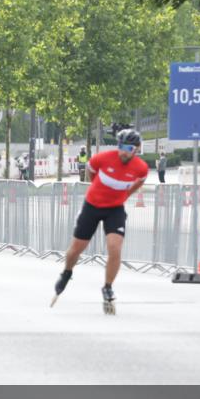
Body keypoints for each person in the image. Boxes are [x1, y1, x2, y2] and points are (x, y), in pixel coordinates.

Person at [51, 128, 148, 314]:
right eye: (121, 146)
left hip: (115, 209)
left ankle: (108, 287)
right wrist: (97, 187)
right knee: (76, 249)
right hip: (92, 206)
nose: (124, 152)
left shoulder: (141, 167)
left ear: (136, 149)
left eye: (129, 148)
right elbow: (91, 172)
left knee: (115, 248)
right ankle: (67, 272)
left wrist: (126, 195)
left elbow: (140, 180)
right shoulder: (102, 158)